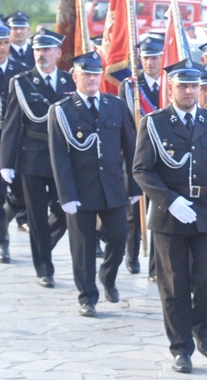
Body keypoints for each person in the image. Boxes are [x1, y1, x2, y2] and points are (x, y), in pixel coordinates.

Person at [133, 58, 207, 374]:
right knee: (174, 287)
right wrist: (168, 201)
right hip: (169, 216)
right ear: (171, 87)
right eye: (183, 85)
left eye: (194, 86)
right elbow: (142, 169)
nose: (190, 91)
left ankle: (201, 328)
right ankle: (181, 348)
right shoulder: (154, 123)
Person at [48, 52, 139, 316]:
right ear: (74, 77)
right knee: (83, 247)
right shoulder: (62, 111)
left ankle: (108, 277)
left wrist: (133, 186)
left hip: (113, 188)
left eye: (95, 74)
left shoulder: (116, 105)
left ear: (101, 76)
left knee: (119, 238)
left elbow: (129, 147)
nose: (90, 79)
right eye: (85, 74)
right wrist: (66, 195)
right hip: (80, 190)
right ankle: (87, 296)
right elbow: (59, 156)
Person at [0, 28, 74, 288]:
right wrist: (6, 162)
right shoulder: (21, 82)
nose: (41, 55)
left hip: (62, 158)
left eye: (46, 50)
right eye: (37, 50)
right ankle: (44, 266)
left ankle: (44, 245)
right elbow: (12, 124)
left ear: (58, 53)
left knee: (65, 211)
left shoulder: (69, 82)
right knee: (36, 215)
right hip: (32, 157)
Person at [118, 33, 164, 276]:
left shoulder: (169, 84)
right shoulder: (130, 86)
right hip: (137, 153)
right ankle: (132, 254)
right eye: (146, 58)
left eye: (155, 57)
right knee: (135, 210)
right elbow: (123, 123)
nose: (150, 62)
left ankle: (155, 266)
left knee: (160, 209)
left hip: (165, 157)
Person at [0, 25, 27, 263]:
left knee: (19, 194)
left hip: (13, 141)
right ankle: (2, 244)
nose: (1, 48)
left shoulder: (20, 72)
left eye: (4, 43)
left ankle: (6, 219)